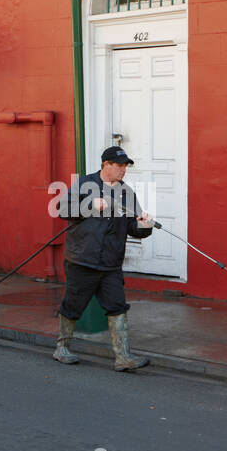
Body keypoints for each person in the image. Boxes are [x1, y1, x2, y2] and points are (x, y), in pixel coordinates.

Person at [54, 146, 154, 371]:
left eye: (125, 166)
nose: (123, 170)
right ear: (105, 165)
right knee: (73, 305)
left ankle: (123, 357)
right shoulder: (85, 184)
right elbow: (62, 209)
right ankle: (62, 347)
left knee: (117, 306)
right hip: (82, 258)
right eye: (118, 165)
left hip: (111, 262)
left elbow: (131, 226)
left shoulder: (127, 193)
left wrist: (143, 226)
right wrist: (90, 205)